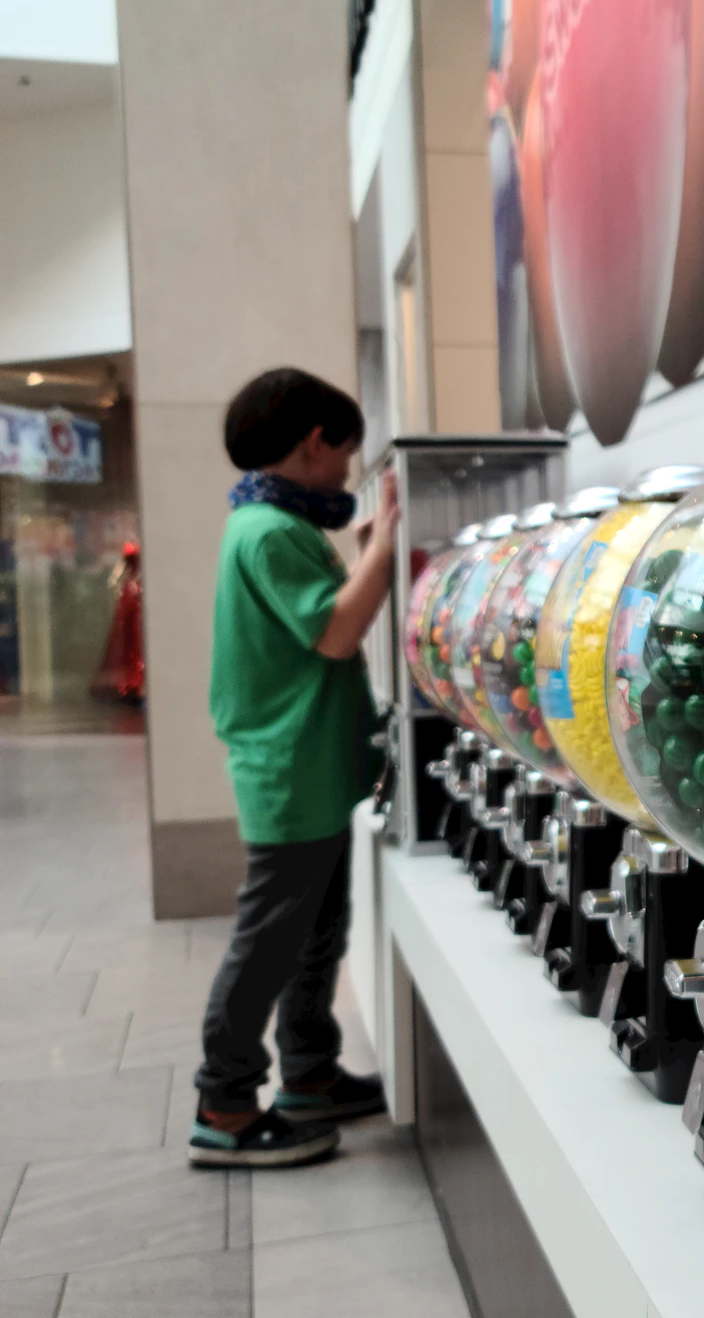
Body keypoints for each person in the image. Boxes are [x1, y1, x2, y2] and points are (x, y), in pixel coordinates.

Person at [189, 368, 397, 1169]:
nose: (347, 473)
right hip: (288, 771)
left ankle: (310, 1077)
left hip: (309, 769)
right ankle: (226, 1104)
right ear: (315, 443)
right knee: (270, 942)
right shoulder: (270, 531)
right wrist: (384, 544)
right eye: (345, 454)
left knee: (315, 936)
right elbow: (337, 632)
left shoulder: (270, 524)